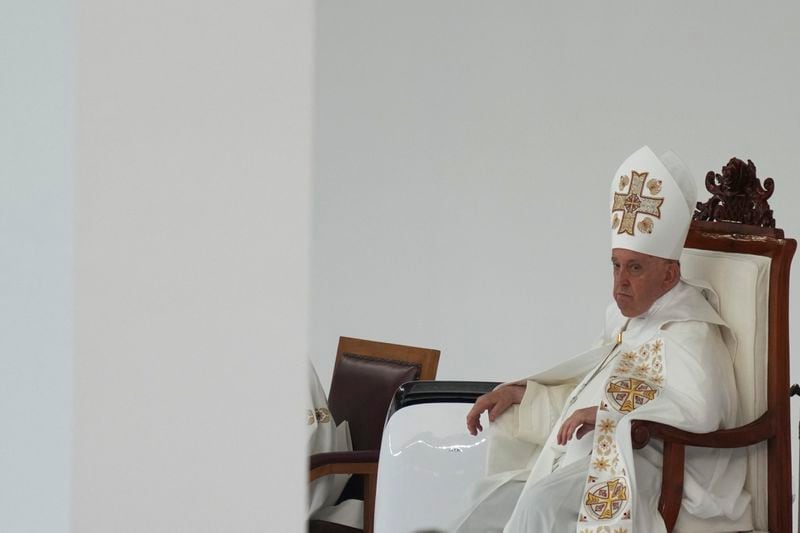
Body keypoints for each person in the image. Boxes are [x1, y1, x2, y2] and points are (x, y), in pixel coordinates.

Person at [454, 146, 752, 533]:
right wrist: (520, 395)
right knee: (485, 505)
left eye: (635, 268)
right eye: (615, 265)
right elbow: (587, 396)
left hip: (659, 470)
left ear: (668, 274)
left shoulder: (691, 331)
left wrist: (612, 416)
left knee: (542, 506)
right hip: (600, 453)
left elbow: (704, 412)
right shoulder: (625, 320)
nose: (620, 282)